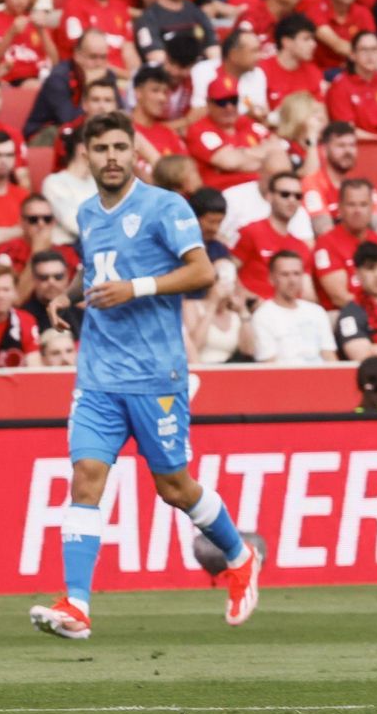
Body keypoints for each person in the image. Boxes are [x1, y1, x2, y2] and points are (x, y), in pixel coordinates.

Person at [27, 111, 260, 641]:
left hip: (156, 375)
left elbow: (201, 272)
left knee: (174, 487)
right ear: (85, 156)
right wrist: (68, 294)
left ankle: (240, 555)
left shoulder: (165, 206)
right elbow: (96, 265)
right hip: (98, 375)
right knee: (86, 476)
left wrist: (137, 289)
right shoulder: (87, 212)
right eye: (101, 149)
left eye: (120, 148)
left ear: (135, 153)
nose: (111, 157)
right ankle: (78, 606)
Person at [314, 179, 377, 309]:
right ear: (340, 207)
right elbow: (340, 297)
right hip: (343, 315)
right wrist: (376, 316)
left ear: (372, 207)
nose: (357, 210)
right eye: (351, 204)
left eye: (363, 204)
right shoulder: (326, 242)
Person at [233, 172, 312, 302]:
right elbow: (228, 272)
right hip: (252, 310)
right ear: (269, 196)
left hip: (290, 313)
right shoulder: (250, 231)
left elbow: (307, 292)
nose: (292, 200)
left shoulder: (302, 247)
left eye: (298, 196)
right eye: (285, 194)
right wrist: (249, 300)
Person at [250, 250, 336, 364]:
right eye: (285, 274)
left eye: (296, 274)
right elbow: (268, 365)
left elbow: (330, 357)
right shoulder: (262, 316)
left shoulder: (317, 312)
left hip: (321, 377)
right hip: (283, 379)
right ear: (271, 278)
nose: (292, 280)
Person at [326, 32, 377, 141]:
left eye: (374, 49)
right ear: (352, 55)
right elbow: (347, 131)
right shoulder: (340, 86)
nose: (370, 55)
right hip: (356, 146)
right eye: (364, 50)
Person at [183, 258, 253, 363]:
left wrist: (243, 311)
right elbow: (194, 346)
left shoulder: (235, 315)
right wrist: (213, 304)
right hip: (201, 369)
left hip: (228, 372)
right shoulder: (191, 306)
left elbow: (249, 351)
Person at [0, 0, 57, 87]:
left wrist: (42, 32)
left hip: (35, 77)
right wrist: (11, 33)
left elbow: (55, 60)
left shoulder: (36, 21)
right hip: (5, 78)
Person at [0, 262, 39, 367]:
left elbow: (35, 367)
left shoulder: (25, 320)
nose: (0, 295)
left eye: (6, 290)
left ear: (15, 293)